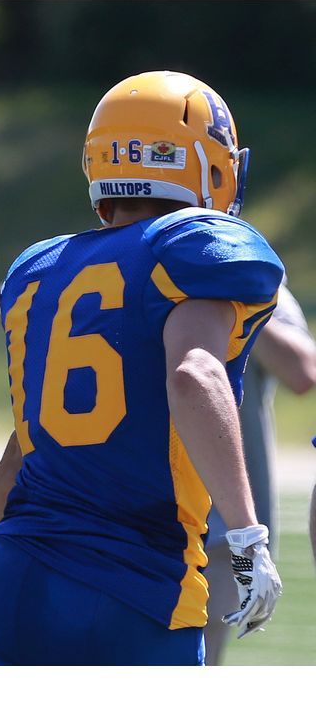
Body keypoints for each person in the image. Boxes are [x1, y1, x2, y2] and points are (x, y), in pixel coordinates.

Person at [0, 70, 285, 665]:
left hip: (14, 575)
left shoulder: (39, 266)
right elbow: (195, 374)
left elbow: (31, 441)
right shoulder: (197, 247)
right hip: (136, 582)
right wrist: (246, 535)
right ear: (208, 163)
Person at [203, 281, 316, 664]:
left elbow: (302, 371)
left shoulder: (249, 273)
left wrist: (233, 298)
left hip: (216, 528)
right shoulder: (124, 260)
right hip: (120, 513)